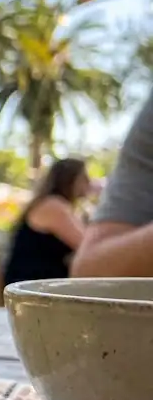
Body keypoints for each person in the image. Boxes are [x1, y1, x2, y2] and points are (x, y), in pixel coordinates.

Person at [72, 92, 153, 277]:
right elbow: (85, 255)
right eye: (84, 179)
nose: (88, 186)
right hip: (41, 284)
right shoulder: (54, 207)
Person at [2, 158, 90, 286]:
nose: (89, 182)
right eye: (84, 178)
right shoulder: (53, 206)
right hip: (31, 284)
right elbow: (87, 246)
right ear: (69, 180)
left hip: (40, 282)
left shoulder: (55, 205)